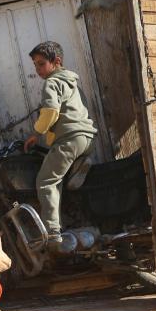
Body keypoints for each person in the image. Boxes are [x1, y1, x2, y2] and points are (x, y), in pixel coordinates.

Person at [23, 41, 97, 246]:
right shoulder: (72, 82)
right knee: (60, 172)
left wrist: (36, 134)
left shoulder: (52, 83)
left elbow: (51, 112)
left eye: (41, 64)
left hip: (69, 140)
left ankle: (53, 234)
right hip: (87, 138)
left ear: (56, 62)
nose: (38, 70)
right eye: (35, 65)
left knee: (46, 182)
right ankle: (79, 165)